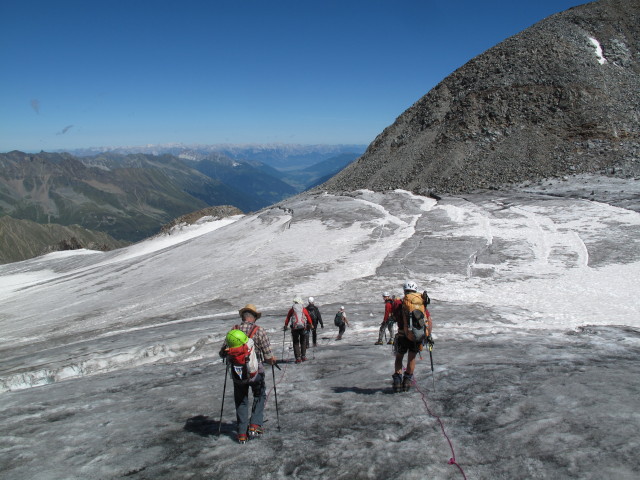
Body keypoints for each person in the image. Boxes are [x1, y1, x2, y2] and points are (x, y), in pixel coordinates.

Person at [219, 304, 277, 444]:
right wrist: (272, 361)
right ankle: (255, 425)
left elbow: (222, 352)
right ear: (254, 317)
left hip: (238, 373)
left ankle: (241, 434)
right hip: (255, 373)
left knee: (241, 401)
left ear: (243, 317)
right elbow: (268, 354)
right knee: (259, 394)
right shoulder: (259, 331)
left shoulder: (234, 331)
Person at [392, 281, 433, 393]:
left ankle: (397, 382)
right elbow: (428, 319)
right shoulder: (421, 303)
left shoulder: (399, 303)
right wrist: (428, 335)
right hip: (416, 336)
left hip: (402, 335)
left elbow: (394, 317)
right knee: (411, 358)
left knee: (399, 357)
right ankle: (407, 381)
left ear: (404, 290)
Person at [284, 297, 313, 363]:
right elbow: (308, 316)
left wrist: (286, 325)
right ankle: (303, 356)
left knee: (296, 343)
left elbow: (288, 317)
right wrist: (311, 324)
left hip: (295, 328)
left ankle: (298, 358)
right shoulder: (303, 308)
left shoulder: (292, 309)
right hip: (303, 327)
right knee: (303, 341)